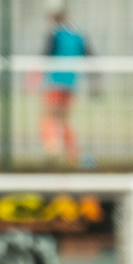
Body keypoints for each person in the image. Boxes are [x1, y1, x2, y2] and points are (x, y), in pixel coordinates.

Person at [40, 10, 90, 164]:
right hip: (71, 82)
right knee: (65, 119)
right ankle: (71, 151)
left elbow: (46, 54)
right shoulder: (78, 36)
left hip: (55, 81)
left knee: (50, 116)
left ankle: (52, 148)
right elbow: (88, 55)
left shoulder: (55, 35)